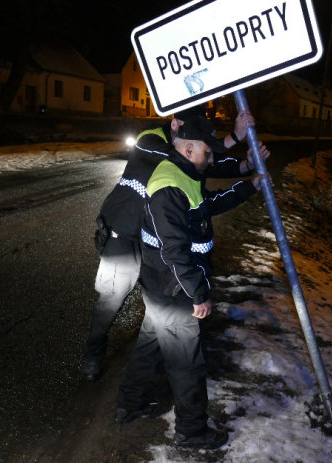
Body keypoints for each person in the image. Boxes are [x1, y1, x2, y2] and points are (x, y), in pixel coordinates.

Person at [115, 115, 267, 449]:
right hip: (174, 288)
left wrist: (248, 185)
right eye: (207, 153)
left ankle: (129, 404)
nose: (211, 159)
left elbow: (206, 207)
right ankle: (191, 432)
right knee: (187, 363)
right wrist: (199, 295)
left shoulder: (185, 173)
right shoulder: (170, 185)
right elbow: (176, 254)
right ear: (187, 147)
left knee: (149, 346)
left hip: (161, 286)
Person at [83, 105, 266, 381]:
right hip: (124, 235)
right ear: (175, 123)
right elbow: (187, 154)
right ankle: (93, 354)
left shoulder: (187, 156)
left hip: (154, 239)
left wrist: (245, 166)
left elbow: (204, 162)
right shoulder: (150, 141)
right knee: (112, 300)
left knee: (157, 308)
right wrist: (234, 139)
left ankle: (138, 385)